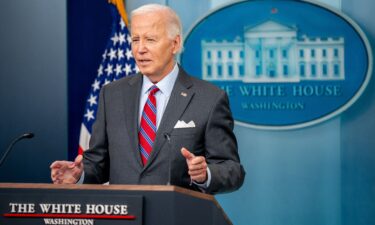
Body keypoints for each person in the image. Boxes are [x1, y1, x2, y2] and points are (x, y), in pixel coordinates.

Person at [50, 4, 245, 194]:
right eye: (135, 40)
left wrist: (205, 174)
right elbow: (98, 163)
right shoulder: (111, 94)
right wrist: (78, 175)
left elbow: (232, 170)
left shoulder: (209, 99)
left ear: (175, 44)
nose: (140, 49)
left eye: (150, 39)